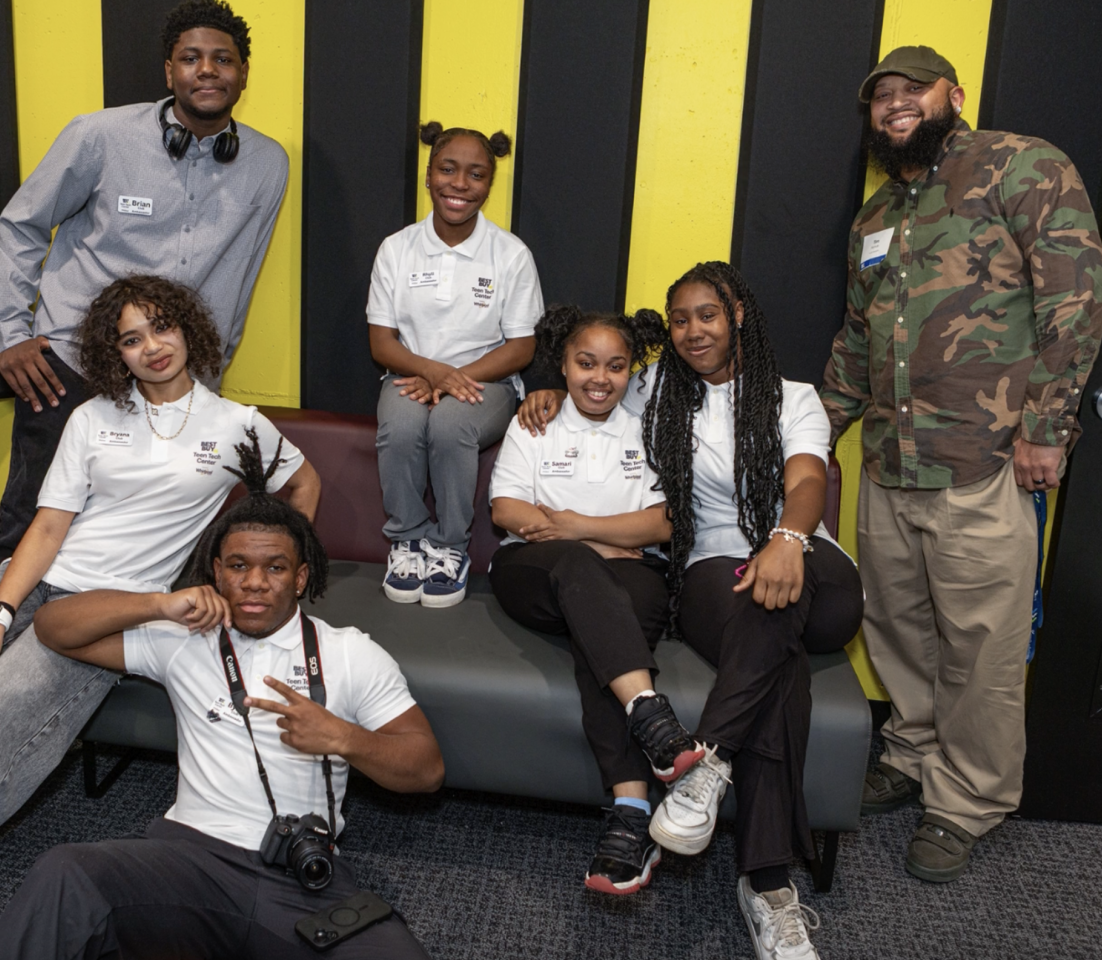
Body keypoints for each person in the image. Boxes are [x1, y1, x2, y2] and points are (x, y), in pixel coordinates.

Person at [0, 277, 320, 960]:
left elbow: (302, 484)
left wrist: (269, 574)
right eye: (131, 338)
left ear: (190, 331)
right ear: (114, 353)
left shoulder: (237, 425)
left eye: (162, 327)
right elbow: (50, 525)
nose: (152, 347)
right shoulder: (94, 417)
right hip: (30, 579)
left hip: (110, 611)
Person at [520, 262, 864, 960]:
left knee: (785, 592)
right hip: (713, 569)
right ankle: (769, 887)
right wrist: (551, 390)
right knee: (774, 645)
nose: (691, 330)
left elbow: (805, 480)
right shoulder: (657, 393)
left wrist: (788, 541)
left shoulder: (792, 398)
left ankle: (708, 761)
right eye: (679, 320)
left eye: (706, 314)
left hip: (809, 562)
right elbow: (598, 378)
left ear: (739, 314)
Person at [0, 455, 443, 960]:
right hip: (187, 862)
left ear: (301, 577)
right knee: (66, 874)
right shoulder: (185, 639)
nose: (255, 582)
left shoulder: (350, 653)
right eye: (239, 566)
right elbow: (52, 626)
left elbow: (426, 769)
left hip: (301, 872)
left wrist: (343, 738)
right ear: (218, 573)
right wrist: (157, 604)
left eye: (276, 567)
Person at [823, 46, 1102, 882]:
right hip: (888, 463)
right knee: (898, 628)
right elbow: (856, 338)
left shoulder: (1021, 165)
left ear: (954, 94)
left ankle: (967, 800)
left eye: (914, 90)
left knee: (983, 646)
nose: (897, 106)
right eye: (882, 98)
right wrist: (806, 429)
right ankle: (909, 754)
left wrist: (1047, 428)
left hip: (984, 461)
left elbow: (1075, 299)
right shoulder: (874, 217)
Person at [0, 0, 289, 571]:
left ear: (243, 73)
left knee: (149, 534)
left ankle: (118, 652)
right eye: (191, 58)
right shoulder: (100, 136)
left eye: (222, 59)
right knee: (30, 523)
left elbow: (241, 273)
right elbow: (21, 225)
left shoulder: (268, 163)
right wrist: (10, 333)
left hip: (176, 382)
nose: (207, 70)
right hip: (70, 365)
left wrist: (208, 375)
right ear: (168, 70)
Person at [489, 305, 706, 896]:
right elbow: (507, 510)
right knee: (584, 573)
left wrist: (577, 525)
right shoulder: (536, 421)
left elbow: (664, 523)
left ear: (631, 371)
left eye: (615, 366)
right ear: (563, 363)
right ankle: (654, 721)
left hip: (625, 577)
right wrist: (598, 541)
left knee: (606, 636)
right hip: (530, 570)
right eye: (586, 363)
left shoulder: (647, 427)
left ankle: (631, 813)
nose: (599, 378)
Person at [367, 121, 544, 608]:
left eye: (476, 174)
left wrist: (450, 381)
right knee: (401, 427)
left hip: (487, 383)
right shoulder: (396, 249)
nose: (460, 185)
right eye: (448, 169)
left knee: (449, 426)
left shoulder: (510, 254)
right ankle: (407, 539)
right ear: (428, 175)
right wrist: (432, 373)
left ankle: (449, 549)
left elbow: (521, 348)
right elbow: (382, 343)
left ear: (489, 184)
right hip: (408, 375)